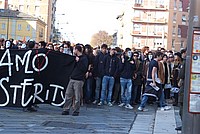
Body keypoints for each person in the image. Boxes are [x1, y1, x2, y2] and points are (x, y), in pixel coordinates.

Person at [62, 45, 88, 116]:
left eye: (74, 50)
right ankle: (66, 109)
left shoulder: (84, 58)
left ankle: (76, 110)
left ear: (77, 50)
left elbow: (84, 69)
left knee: (77, 96)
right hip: (72, 78)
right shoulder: (74, 58)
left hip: (79, 80)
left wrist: (78, 61)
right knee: (68, 94)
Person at [175, 48, 186, 131]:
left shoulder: (185, 62)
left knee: (181, 106)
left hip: (184, 86)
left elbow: (182, 74)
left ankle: (184, 125)